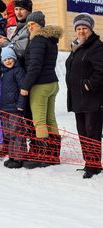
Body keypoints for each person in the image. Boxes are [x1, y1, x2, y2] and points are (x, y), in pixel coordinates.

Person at [20, 11, 63, 169]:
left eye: (33, 24)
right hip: (52, 83)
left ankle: (42, 156)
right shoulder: (51, 39)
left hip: (40, 85)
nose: (30, 27)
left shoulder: (38, 39)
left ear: (40, 25)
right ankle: (53, 155)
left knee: (39, 121)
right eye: (28, 25)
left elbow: (35, 66)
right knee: (50, 119)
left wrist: (25, 86)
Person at [65, 13, 103, 179]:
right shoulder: (77, 47)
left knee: (92, 131)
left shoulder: (97, 47)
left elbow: (101, 71)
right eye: (78, 28)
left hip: (92, 98)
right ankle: (89, 163)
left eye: (84, 28)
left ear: (90, 29)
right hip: (78, 98)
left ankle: (94, 165)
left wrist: (89, 84)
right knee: (82, 132)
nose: (81, 31)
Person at [0, 47, 28, 169]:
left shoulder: (18, 71)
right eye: (5, 59)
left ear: (14, 59)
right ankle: (12, 156)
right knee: (9, 133)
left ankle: (19, 158)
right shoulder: (5, 73)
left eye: (10, 58)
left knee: (17, 132)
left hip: (16, 107)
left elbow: (23, 89)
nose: (8, 61)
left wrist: (21, 104)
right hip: (5, 108)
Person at [0, 0, 32, 66]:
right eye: (16, 9)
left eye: (21, 9)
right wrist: (6, 40)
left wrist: (5, 43)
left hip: (25, 68)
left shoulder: (30, 27)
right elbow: (16, 44)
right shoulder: (20, 25)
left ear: (29, 11)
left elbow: (21, 51)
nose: (18, 13)